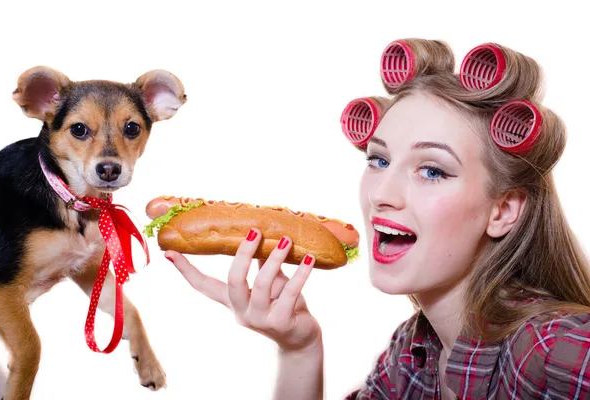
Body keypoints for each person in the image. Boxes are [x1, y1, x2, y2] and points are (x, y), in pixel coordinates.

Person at [165, 38, 590, 399]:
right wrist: (299, 347)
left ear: (502, 211)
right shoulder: (411, 356)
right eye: (379, 159)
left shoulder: (555, 349)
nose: (382, 195)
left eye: (432, 170)